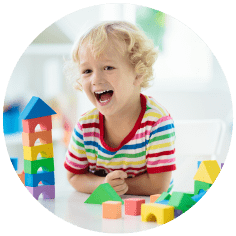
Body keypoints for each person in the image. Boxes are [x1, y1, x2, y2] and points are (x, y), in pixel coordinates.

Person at [64, 21, 176, 196]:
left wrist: (118, 187)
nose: (95, 79)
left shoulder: (157, 123)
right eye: (87, 71)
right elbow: (73, 177)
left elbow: (158, 186)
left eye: (108, 67)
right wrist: (103, 184)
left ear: (138, 73)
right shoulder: (85, 126)